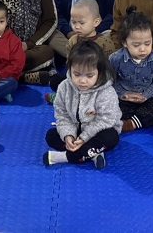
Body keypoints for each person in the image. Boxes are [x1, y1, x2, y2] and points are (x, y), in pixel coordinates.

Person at [43, 40, 122, 169]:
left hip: (98, 130)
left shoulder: (106, 91)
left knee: (111, 137)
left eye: (90, 75)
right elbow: (62, 115)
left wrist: (85, 138)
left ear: (99, 72)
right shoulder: (64, 87)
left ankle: (65, 157)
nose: (82, 80)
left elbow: (106, 120)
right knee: (51, 136)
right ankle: (93, 153)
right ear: (70, 69)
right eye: (77, 74)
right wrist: (68, 135)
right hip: (76, 129)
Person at [109, 8, 153, 132]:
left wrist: (146, 95)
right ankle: (150, 119)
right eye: (136, 45)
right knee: (108, 107)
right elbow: (110, 82)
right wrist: (123, 94)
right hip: (124, 100)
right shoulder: (115, 59)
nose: (143, 49)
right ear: (124, 42)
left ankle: (130, 124)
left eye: (147, 43)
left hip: (146, 99)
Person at [45, 0, 116, 105]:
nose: (77, 27)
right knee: (55, 80)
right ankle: (67, 97)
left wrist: (93, 81)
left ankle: (64, 99)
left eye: (82, 23)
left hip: (97, 82)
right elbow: (69, 65)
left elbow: (109, 70)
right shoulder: (73, 41)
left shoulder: (105, 43)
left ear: (96, 22)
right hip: (77, 81)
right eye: (73, 22)